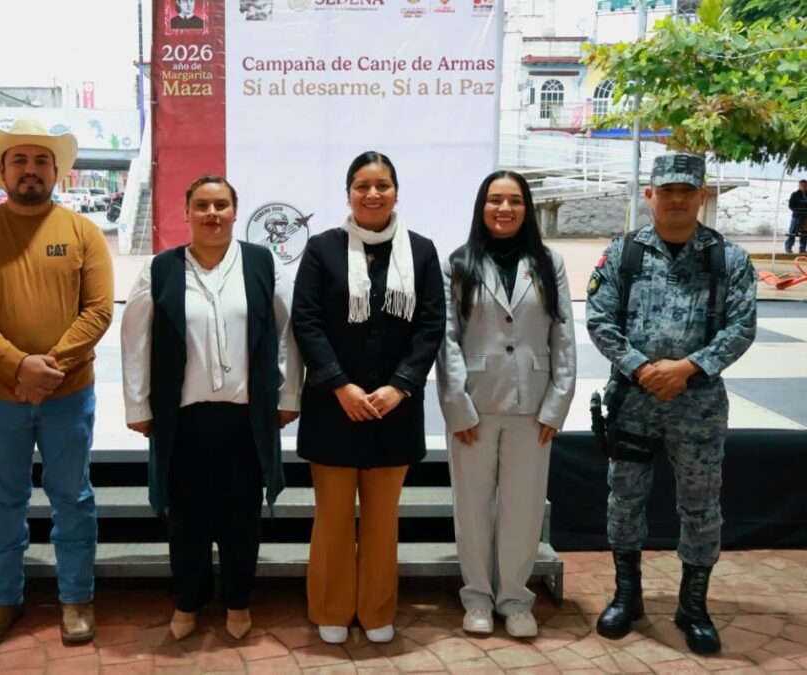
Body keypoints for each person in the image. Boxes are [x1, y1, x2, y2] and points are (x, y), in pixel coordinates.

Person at [0, 119, 114, 648]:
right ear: (1, 170)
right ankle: (2, 600)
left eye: (41, 161)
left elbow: (98, 311)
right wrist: (17, 365)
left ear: (56, 172)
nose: (30, 170)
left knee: (73, 498)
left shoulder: (83, 233)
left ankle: (76, 598)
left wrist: (48, 369)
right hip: (0, 396)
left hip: (69, 394)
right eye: (19, 160)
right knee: (3, 500)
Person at [586, 153, 756, 655]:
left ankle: (693, 606)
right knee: (625, 498)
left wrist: (686, 369)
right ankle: (627, 596)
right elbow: (599, 319)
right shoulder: (623, 254)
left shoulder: (730, 259)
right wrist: (642, 369)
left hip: (698, 406)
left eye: (686, 190)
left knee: (701, 506)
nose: (676, 199)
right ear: (650, 195)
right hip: (633, 402)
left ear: (702, 195)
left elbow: (741, 327)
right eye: (667, 190)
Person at [121, 175, 302, 641]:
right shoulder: (161, 269)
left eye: (221, 205)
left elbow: (289, 331)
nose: (212, 214)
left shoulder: (262, 264)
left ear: (235, 212)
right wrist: (137, 404)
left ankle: (238, 602)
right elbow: (135, 338)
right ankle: (188, 602)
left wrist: (288, 394)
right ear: (186, 213)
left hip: (245, 418)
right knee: (187, 520)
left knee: (242, 518)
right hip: (183, 419)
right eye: (201, 205)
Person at [292, 151, 446, 645]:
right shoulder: (322, 249)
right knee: (333, 519)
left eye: (382, 185)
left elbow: (431, 325)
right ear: (348, 194)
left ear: (396, 192)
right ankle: (331, 608)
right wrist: (340, 384)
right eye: (362, 185)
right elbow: (306, 322)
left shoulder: (421, 251)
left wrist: (401, 385)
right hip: (333, 407)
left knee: (382, 521)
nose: (372, 194)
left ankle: (377, 609)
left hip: (393, 410)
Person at [436, 170, 576, 638]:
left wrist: (557, 404)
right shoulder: (459, 263)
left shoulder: (549, 263)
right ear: (482, 207)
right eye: (495, 199)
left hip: (533, 406)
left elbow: (563, 336)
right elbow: (447, 340)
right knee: (472, 507)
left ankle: (515, 600)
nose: (504, 208)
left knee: (524, 507)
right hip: (475, 405)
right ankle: (477, 597)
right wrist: (457, 405)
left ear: (526, 207)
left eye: (514, 200)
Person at [785, 179, 807, 254]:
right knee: (792, 232)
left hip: (806, 218)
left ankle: (802, 249)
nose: (804, 186)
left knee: (804, 234)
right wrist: (797, 210)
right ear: (799, 186)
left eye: (805, 185)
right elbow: (790, 205)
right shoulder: (795, 194)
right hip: (796, 216)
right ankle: (788, 248)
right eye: (802, 185)